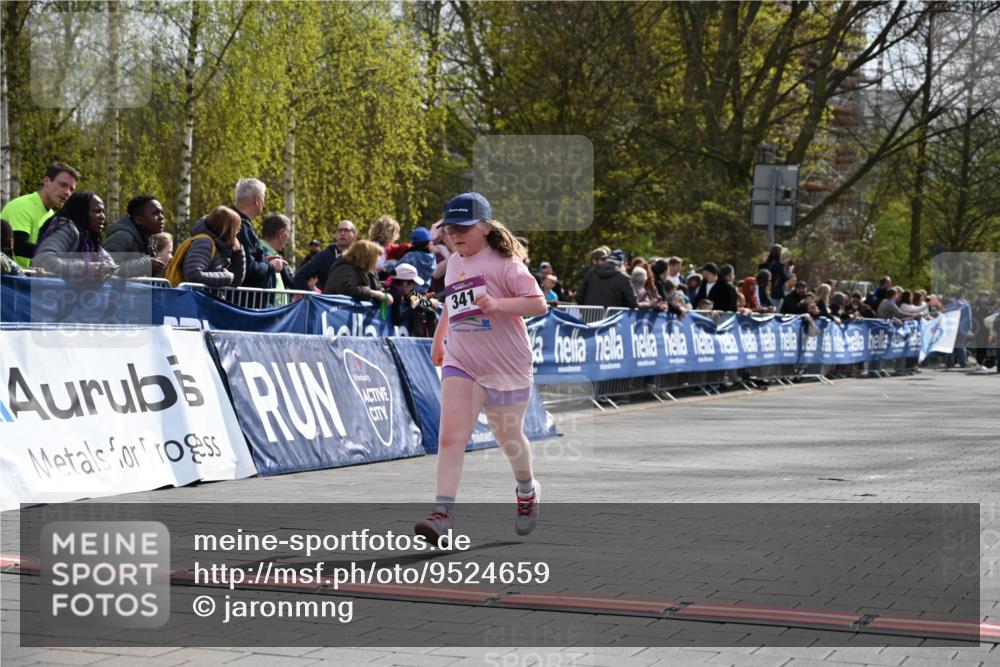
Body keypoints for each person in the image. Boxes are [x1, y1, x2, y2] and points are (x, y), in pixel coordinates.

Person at [415, 192, 547, 543]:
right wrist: (439, 338)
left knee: (508, 438)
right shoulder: (453, 263)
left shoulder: (506, 264)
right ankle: (442, 515)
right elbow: (452, 302)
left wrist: (499, 305)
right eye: (450, 229)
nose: (455, 235)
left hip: (506, 365)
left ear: (486, 227)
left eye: (464, 228)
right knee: (450, 436)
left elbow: (538, 304)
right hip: (463, 360)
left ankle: (527, 489)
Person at [2, 162, 80, 268]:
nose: (67, 192)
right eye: (63, 185)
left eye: (71, 189)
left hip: (24, 274)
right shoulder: (23, 205)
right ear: (46, 181)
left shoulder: (51, 215)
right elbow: (19, 247)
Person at [32, 192, 117, 281]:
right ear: (82, 212)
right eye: (97, 211)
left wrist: (106, 269)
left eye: (103, 212)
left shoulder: (89, 239)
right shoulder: (67, 229)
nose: (103, 217)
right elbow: (43, 259)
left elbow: (110, 263)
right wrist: (87, 268)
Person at [228, 178, 281, 290]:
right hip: (244, 299)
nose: (264, 203)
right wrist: (271, 266)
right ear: (257, 200)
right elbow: (249, 268)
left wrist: (264, 260)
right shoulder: (241, 227)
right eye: (263, 197)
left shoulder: (229, 221)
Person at [177, 206, 245, 287]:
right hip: (195, 295)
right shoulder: (204, 243)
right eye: (237, 227)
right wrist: (226, 277)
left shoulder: (221, 245)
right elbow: (193, 275)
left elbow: (235, 282)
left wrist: (238, 251)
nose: (238, 230)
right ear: (227, 229)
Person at [104, 194, 167, 277]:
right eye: (155, 213)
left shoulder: (148, 240)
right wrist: (145, 265)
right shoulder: (122, 237)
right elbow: (106, 269)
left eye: (162, 213)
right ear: (138, 219)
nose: (161, 217)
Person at [323, 239, 394, 309]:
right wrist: (373, 293)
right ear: (367, 257)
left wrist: (385, 295)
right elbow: (348, 290)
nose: (378, 261)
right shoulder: (344, 267)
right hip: (337, 312)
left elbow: (377, 288)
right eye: (376, 258)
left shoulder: (370, 270)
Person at [293, 220, 357, 291]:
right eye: (339, 230)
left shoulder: (359, 256)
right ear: (336, 234)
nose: (342, 233)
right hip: (328, 298)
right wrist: (314, 295)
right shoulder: (324, 256)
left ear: (354, 235)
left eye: (346, 230)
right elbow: (299, 277)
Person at [387, 262, 439, 337]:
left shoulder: (401, 289)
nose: (414, 287)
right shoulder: (395, 294)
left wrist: (427, 300)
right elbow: (396, 321)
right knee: (416, 312)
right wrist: (412, 307)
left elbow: (414, 295)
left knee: (430, 313)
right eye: (413, 284)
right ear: (405, 283)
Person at [260, 213, 295, 298]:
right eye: (288, 233)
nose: (288, 237)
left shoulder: (268, 252)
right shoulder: (262, 253)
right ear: (281, 233)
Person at [763, 244, 793, 312]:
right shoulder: (780, 265)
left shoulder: (765, 264)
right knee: (774, 313)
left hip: (764, 292)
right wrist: (788, 269)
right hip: (776, 293)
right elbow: (785, 278)